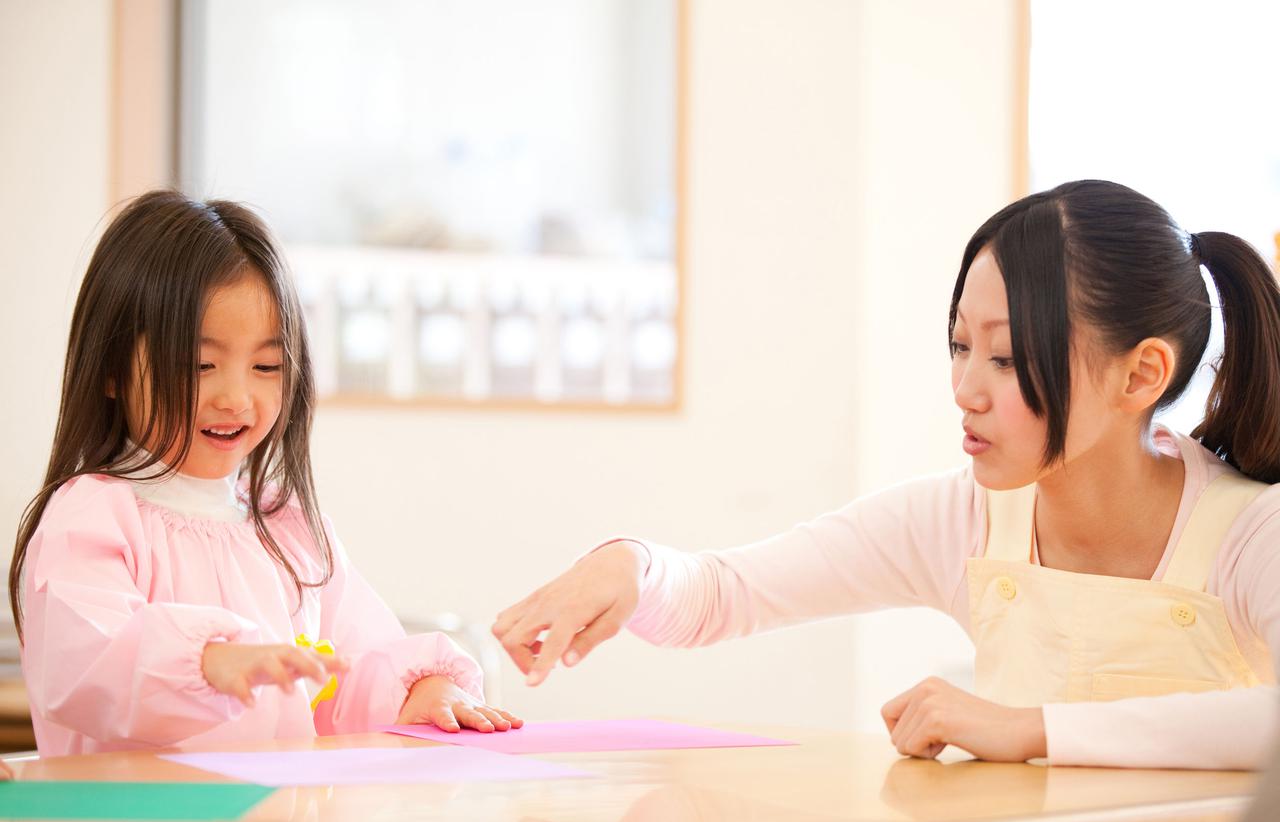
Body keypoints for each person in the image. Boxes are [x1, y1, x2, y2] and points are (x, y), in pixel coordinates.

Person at [493, 180, 1280, 769]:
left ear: (1141, 375)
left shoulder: (1249, 533)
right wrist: (631, 566)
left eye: (1006, 358)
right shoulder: (965, 520)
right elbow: (724, 594)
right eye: (960, 344)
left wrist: (1029, 727)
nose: (965, 388)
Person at [11, 190, 521, 755]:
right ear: (111, 370)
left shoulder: (289, 527)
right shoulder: (93, 515)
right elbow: (85, 665)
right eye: (199, 365)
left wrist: (421, 690)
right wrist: (208, 661)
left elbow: (349, 666)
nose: (236, 397)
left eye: (266, 366)